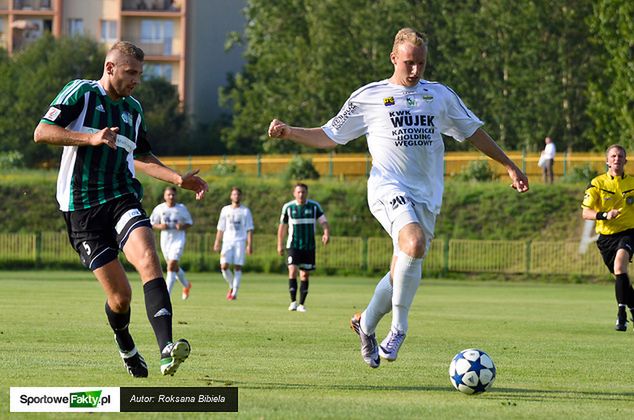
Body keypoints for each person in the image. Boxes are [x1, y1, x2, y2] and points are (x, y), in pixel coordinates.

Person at [268, 28, 528, 368]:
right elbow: (329, 136)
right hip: (387, 187)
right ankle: (399, 329)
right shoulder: (369, 96)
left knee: (402, 268)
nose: (416, 70)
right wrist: (290, 132)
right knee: (414, 242)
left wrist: (508, 165)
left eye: (421, 63)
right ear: (394, 58)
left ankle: (365, 324)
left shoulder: (440, 96)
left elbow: (473, 132)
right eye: (409, 63)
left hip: (427, 195)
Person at [33, 41, 208, 378]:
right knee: (120, 297)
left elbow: (142, 156)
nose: (135, 80)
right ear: (110, 68)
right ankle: (125, 343)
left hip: (121, 196)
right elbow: (42, 132)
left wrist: (176, 179)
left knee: (148, 259)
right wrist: (91, 138)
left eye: (139, 75)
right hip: (81, 208)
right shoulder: (81, 93)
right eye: (130, 73)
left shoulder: (134, 110)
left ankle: (167, 350)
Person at [582, 144, 634, 332]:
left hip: (628, 233)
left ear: (625, 160)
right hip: (606, 238)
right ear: (607, 160)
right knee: (621, 278)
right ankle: (633, 307)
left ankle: (621, 316)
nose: (617, 159)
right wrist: (605, 215)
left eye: (620, 156)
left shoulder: (632, 183)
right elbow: (586, 213)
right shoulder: (597, 183)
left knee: (620, 266)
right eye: (613, 156)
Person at [277, 183, 330, 312]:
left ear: (307, 193)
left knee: (305, 275)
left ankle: (301, 304)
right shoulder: (288, 207)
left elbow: (323, 221)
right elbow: (282, 227)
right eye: (298, 192)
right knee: (292, 270)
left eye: (303, 192)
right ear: (294, 193)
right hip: (293, 245)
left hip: (309, 246)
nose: (301, 194)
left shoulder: (314, 206)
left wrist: (326, 233)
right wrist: (280, 244)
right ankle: (293, 302)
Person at [150, 186, 193, 300]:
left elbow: (189, 222)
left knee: (171, 265)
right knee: (174, 267)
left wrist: (182, 226)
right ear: (164, 196)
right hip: (165, 240)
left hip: (178, 239)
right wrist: (160, 226)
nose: (171, 196)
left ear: (176, 196)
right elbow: (152, 223)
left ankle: (166, 295)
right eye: (168, 194)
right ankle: (187, 285)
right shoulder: (159, 209)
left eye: (173, 194)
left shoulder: (181, 208)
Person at [213, 187, 254, 300]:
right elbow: (220, 227)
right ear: (231, 196)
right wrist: (217, 242)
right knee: (224, 266)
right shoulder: (225, 210)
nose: (236, 196)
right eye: (234, 194)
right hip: (227, 241)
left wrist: (249, 244)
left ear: (240, 196)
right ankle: (232, 285)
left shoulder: (245, 211)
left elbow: (249, 229)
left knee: (237, 267)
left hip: (240, 241)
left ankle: (234, 292)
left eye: (238, 194)